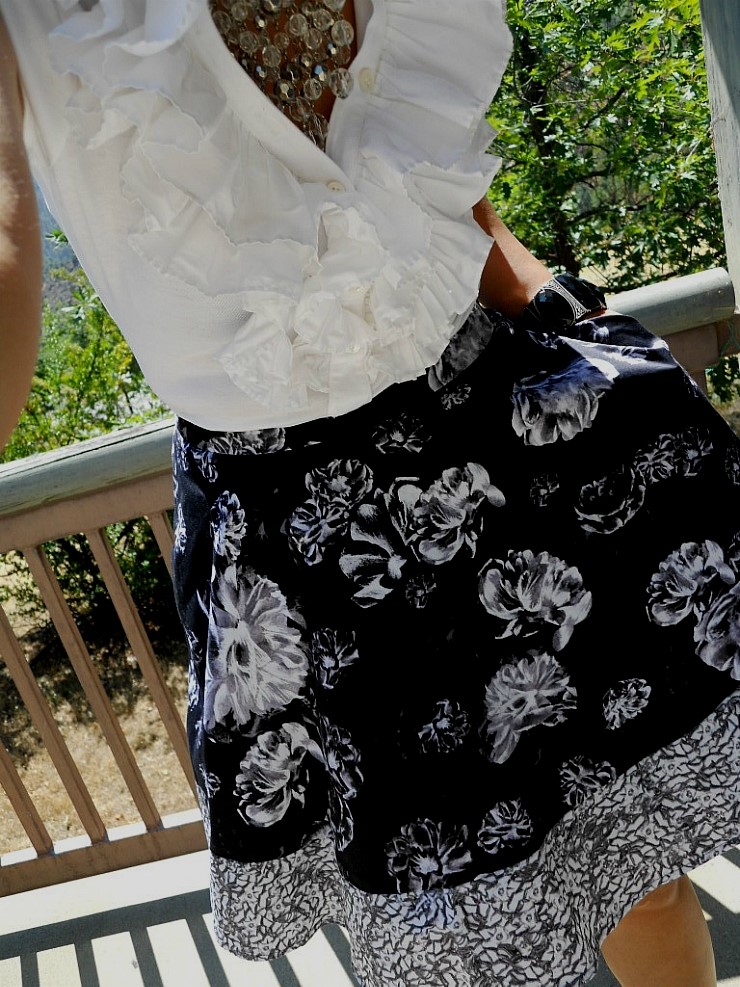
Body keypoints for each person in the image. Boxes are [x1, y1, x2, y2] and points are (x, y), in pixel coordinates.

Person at [0, 2, 738, 985]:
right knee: (466, 943)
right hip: (316, 539)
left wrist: (555, 306)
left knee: (640, 872)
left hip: (508, 430)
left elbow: (424, 194)